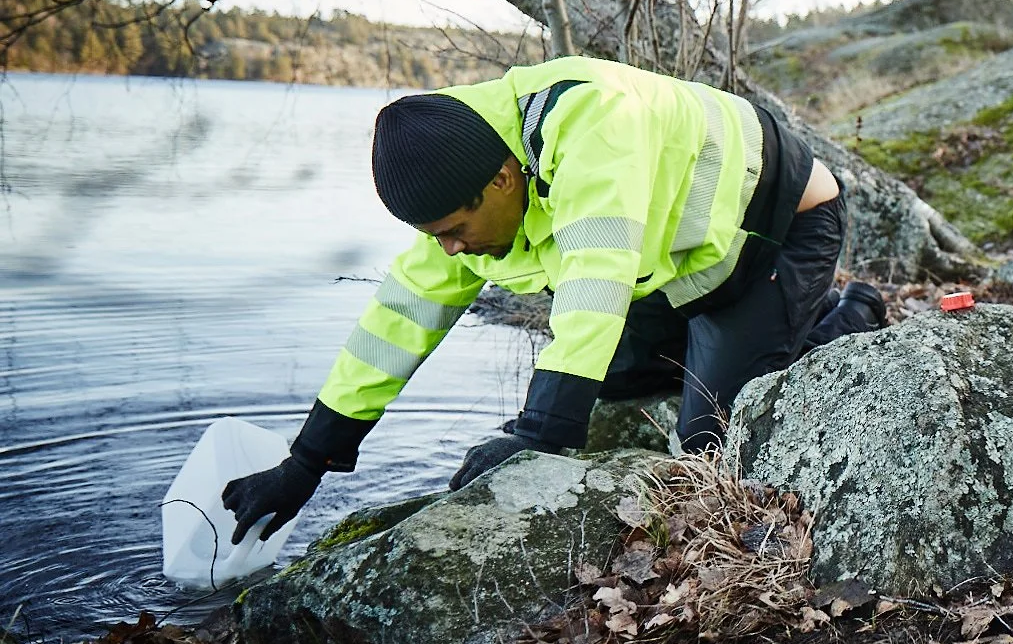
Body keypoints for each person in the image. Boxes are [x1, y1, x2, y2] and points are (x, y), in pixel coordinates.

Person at [222, 57, 886, 543]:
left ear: (503, 180)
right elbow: (398, 320)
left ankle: (845, 321)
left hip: (777, 231)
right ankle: (761, 334)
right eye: (434, 237)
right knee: (611, 381)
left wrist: (538, 434)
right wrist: (307, 460)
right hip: (685, 264)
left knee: (707, 444)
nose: (449, 248)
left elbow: (597, 277)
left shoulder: (593, 126)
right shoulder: (463, 163)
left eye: (453, 231)